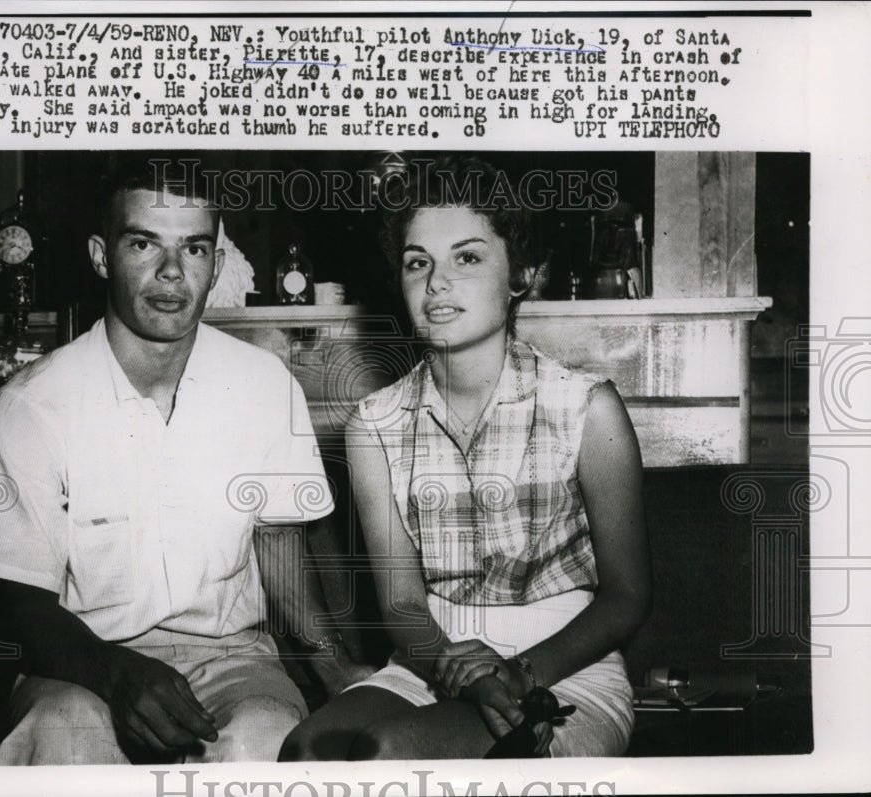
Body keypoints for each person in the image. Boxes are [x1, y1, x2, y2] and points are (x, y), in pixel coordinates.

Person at [0, 157, 369, 765]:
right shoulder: (30, 405)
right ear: (100, 255)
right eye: (144, 243)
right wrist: (114, 675)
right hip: (79, 662)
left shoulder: (265, 384)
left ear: (215, 266)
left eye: (193, 249)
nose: (171, 272)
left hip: (234, 657)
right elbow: (19, 606)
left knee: (261, 736)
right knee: (64, 734)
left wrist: (337, 668)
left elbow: (280, 552)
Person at [279, 156, 652, 760]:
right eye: (418, 262)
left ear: (520, 275)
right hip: (431, 655)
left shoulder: (587, 408)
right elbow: (402, 605)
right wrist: (461, 668)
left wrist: (520, 673)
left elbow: (628, 597)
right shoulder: (374, 424)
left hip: (565, 662)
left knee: (392, 754)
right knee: (308, 752)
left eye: (468, 257)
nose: (437, 281)